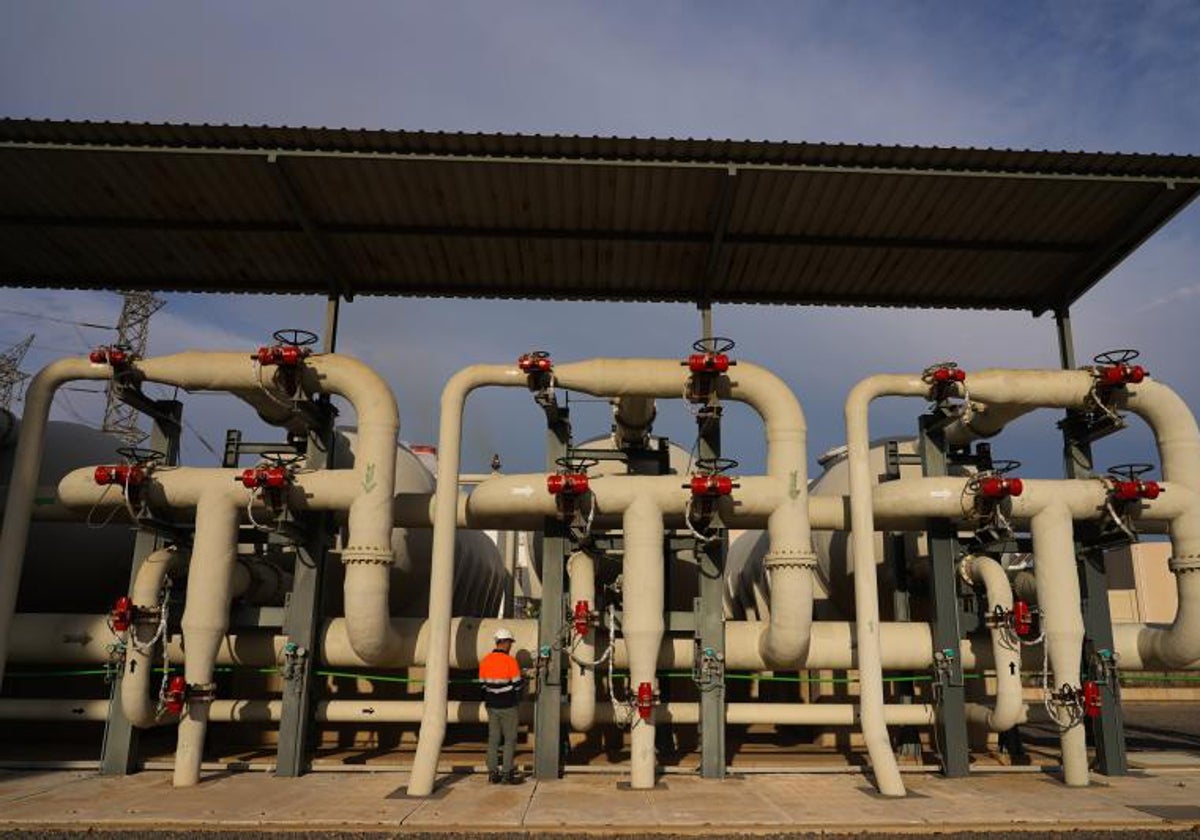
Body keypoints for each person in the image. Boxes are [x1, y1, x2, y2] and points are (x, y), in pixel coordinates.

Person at [479, 627, 525, 784]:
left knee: (493, 739)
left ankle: (492, 773)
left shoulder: (485, 660)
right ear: (504, 643)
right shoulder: (510, 661)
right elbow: (518, 685)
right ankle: (507, 773)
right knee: (510, 739)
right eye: (510, 642)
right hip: (508, 706)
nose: (511, 645)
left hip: (491, 705)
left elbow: (482, 685)